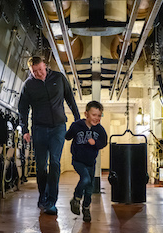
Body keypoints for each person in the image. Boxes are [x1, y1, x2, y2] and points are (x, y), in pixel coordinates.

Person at [18, 56, 80, 215]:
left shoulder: (58, 78)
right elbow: (23, 108)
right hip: (39, 129)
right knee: (40, 166)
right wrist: (25, 129)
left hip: (58, 128)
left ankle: (51, 201)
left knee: (54, 163)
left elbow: (70, 99)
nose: (39, 73)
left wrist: (78, 119)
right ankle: (43, 196)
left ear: (45, 65)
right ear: (31, 71)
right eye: (34, 71)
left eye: (40, 69)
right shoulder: (28, 85)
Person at [65, 100, 108, 222]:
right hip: (78, 160)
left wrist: (95, 144)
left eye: (99, 115)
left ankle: (86, 209)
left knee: (89, 189)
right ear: (86, 114)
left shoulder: (99, 130)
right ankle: (76, 198)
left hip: (91, 162)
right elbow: (67, 136)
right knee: (85, 179)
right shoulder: (77, 125)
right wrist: (69, 130)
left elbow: (104, 142)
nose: (96, 118)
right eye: (94, 115)